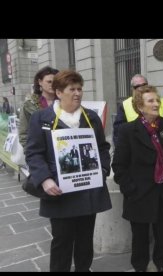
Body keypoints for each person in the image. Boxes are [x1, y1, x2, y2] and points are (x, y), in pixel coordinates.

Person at [25, 70, 112, 272]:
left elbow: (102, 148)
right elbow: (34, 153)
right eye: (72, 89)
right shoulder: (41, 118)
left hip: (88, 192)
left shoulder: (91, 117)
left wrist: (104, 169)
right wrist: (45, 180)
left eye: (80, 89)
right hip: (60, 194)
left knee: (84, 241)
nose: (77, 93)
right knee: (62, 241)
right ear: (58, 92)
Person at [111, 85, 163, 272]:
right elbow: (119, 165)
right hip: (139, 193)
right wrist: (130, 188)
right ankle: (140, 266)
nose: (156, 103)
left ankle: (161, 262)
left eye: (157, 100)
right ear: (140, 106)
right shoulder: (128, 130)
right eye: (150, 101)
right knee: (140, 236)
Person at [112, 74, 163, 148]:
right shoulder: (124, 105)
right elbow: (118, 135)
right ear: (132, 89)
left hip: (161, 148)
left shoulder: (162, 102)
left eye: (144, 85)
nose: (141, 88)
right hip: (136, 150)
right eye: (137, 86)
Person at [19, 66, 59, 150]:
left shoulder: (64, 102)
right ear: (40, 82)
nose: (52, 85)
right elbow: (24, 134)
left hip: (61, 148)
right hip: (39, 153)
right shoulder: (29, 105)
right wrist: (31, 155)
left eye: (55, 82)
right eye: (49, 82)